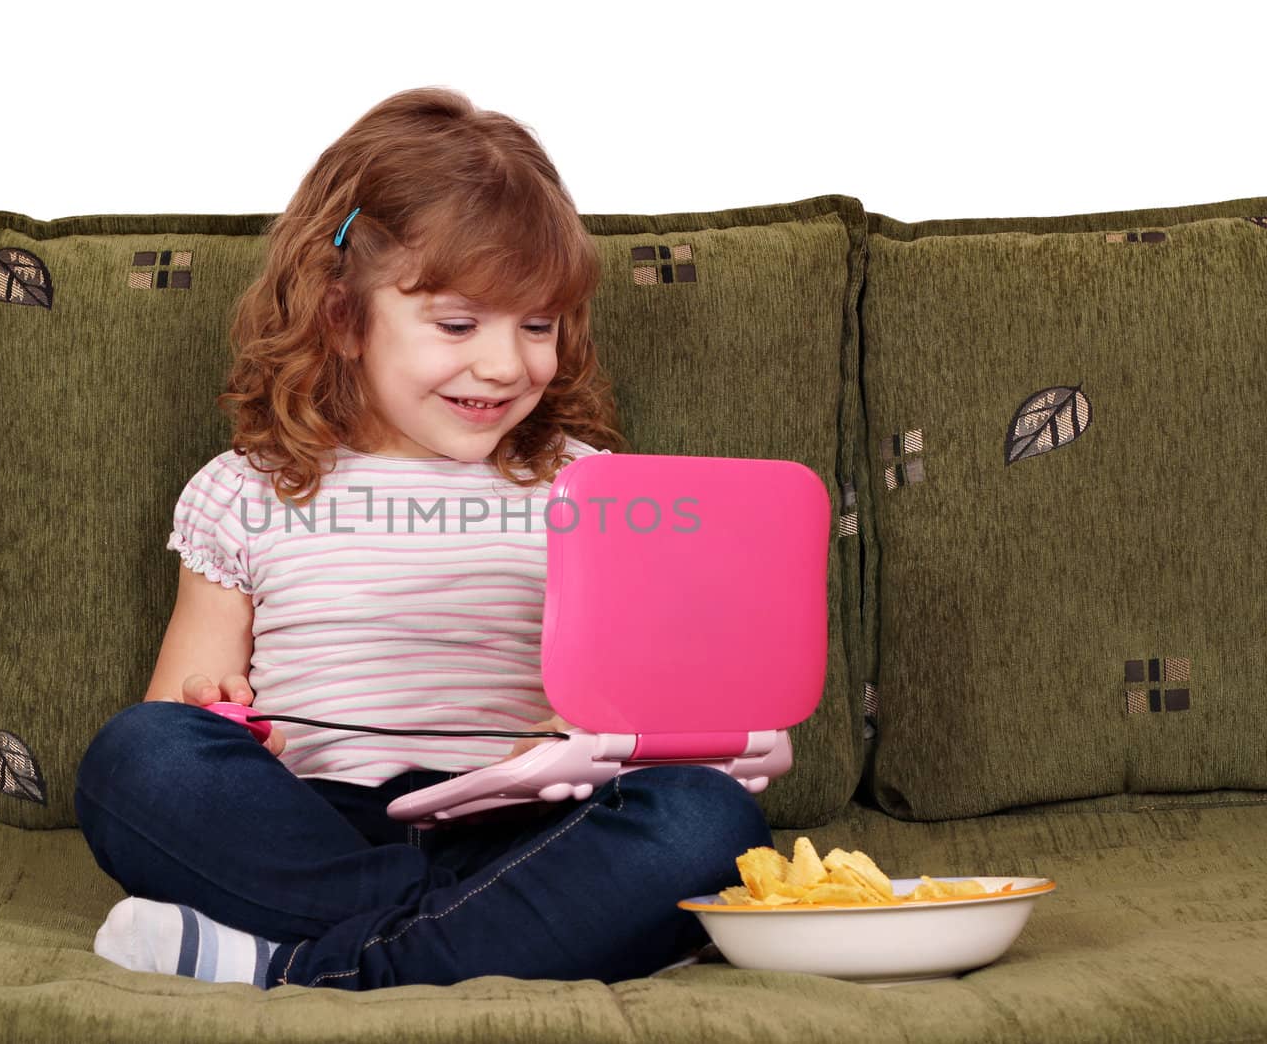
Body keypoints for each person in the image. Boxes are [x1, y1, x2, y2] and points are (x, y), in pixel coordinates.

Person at [73, 86, 773, 991]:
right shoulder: (245, 486)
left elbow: (652, 707)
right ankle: (496, 930)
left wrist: (590, 740)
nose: (505, 363)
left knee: (704, 820)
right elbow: (181, 707)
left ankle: (296, 963)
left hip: (526, 826)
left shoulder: (588, 485)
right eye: (457, 323)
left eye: (538, 324)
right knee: (137, 758)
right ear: (341, 314)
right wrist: (220, 718)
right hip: (314, 826)